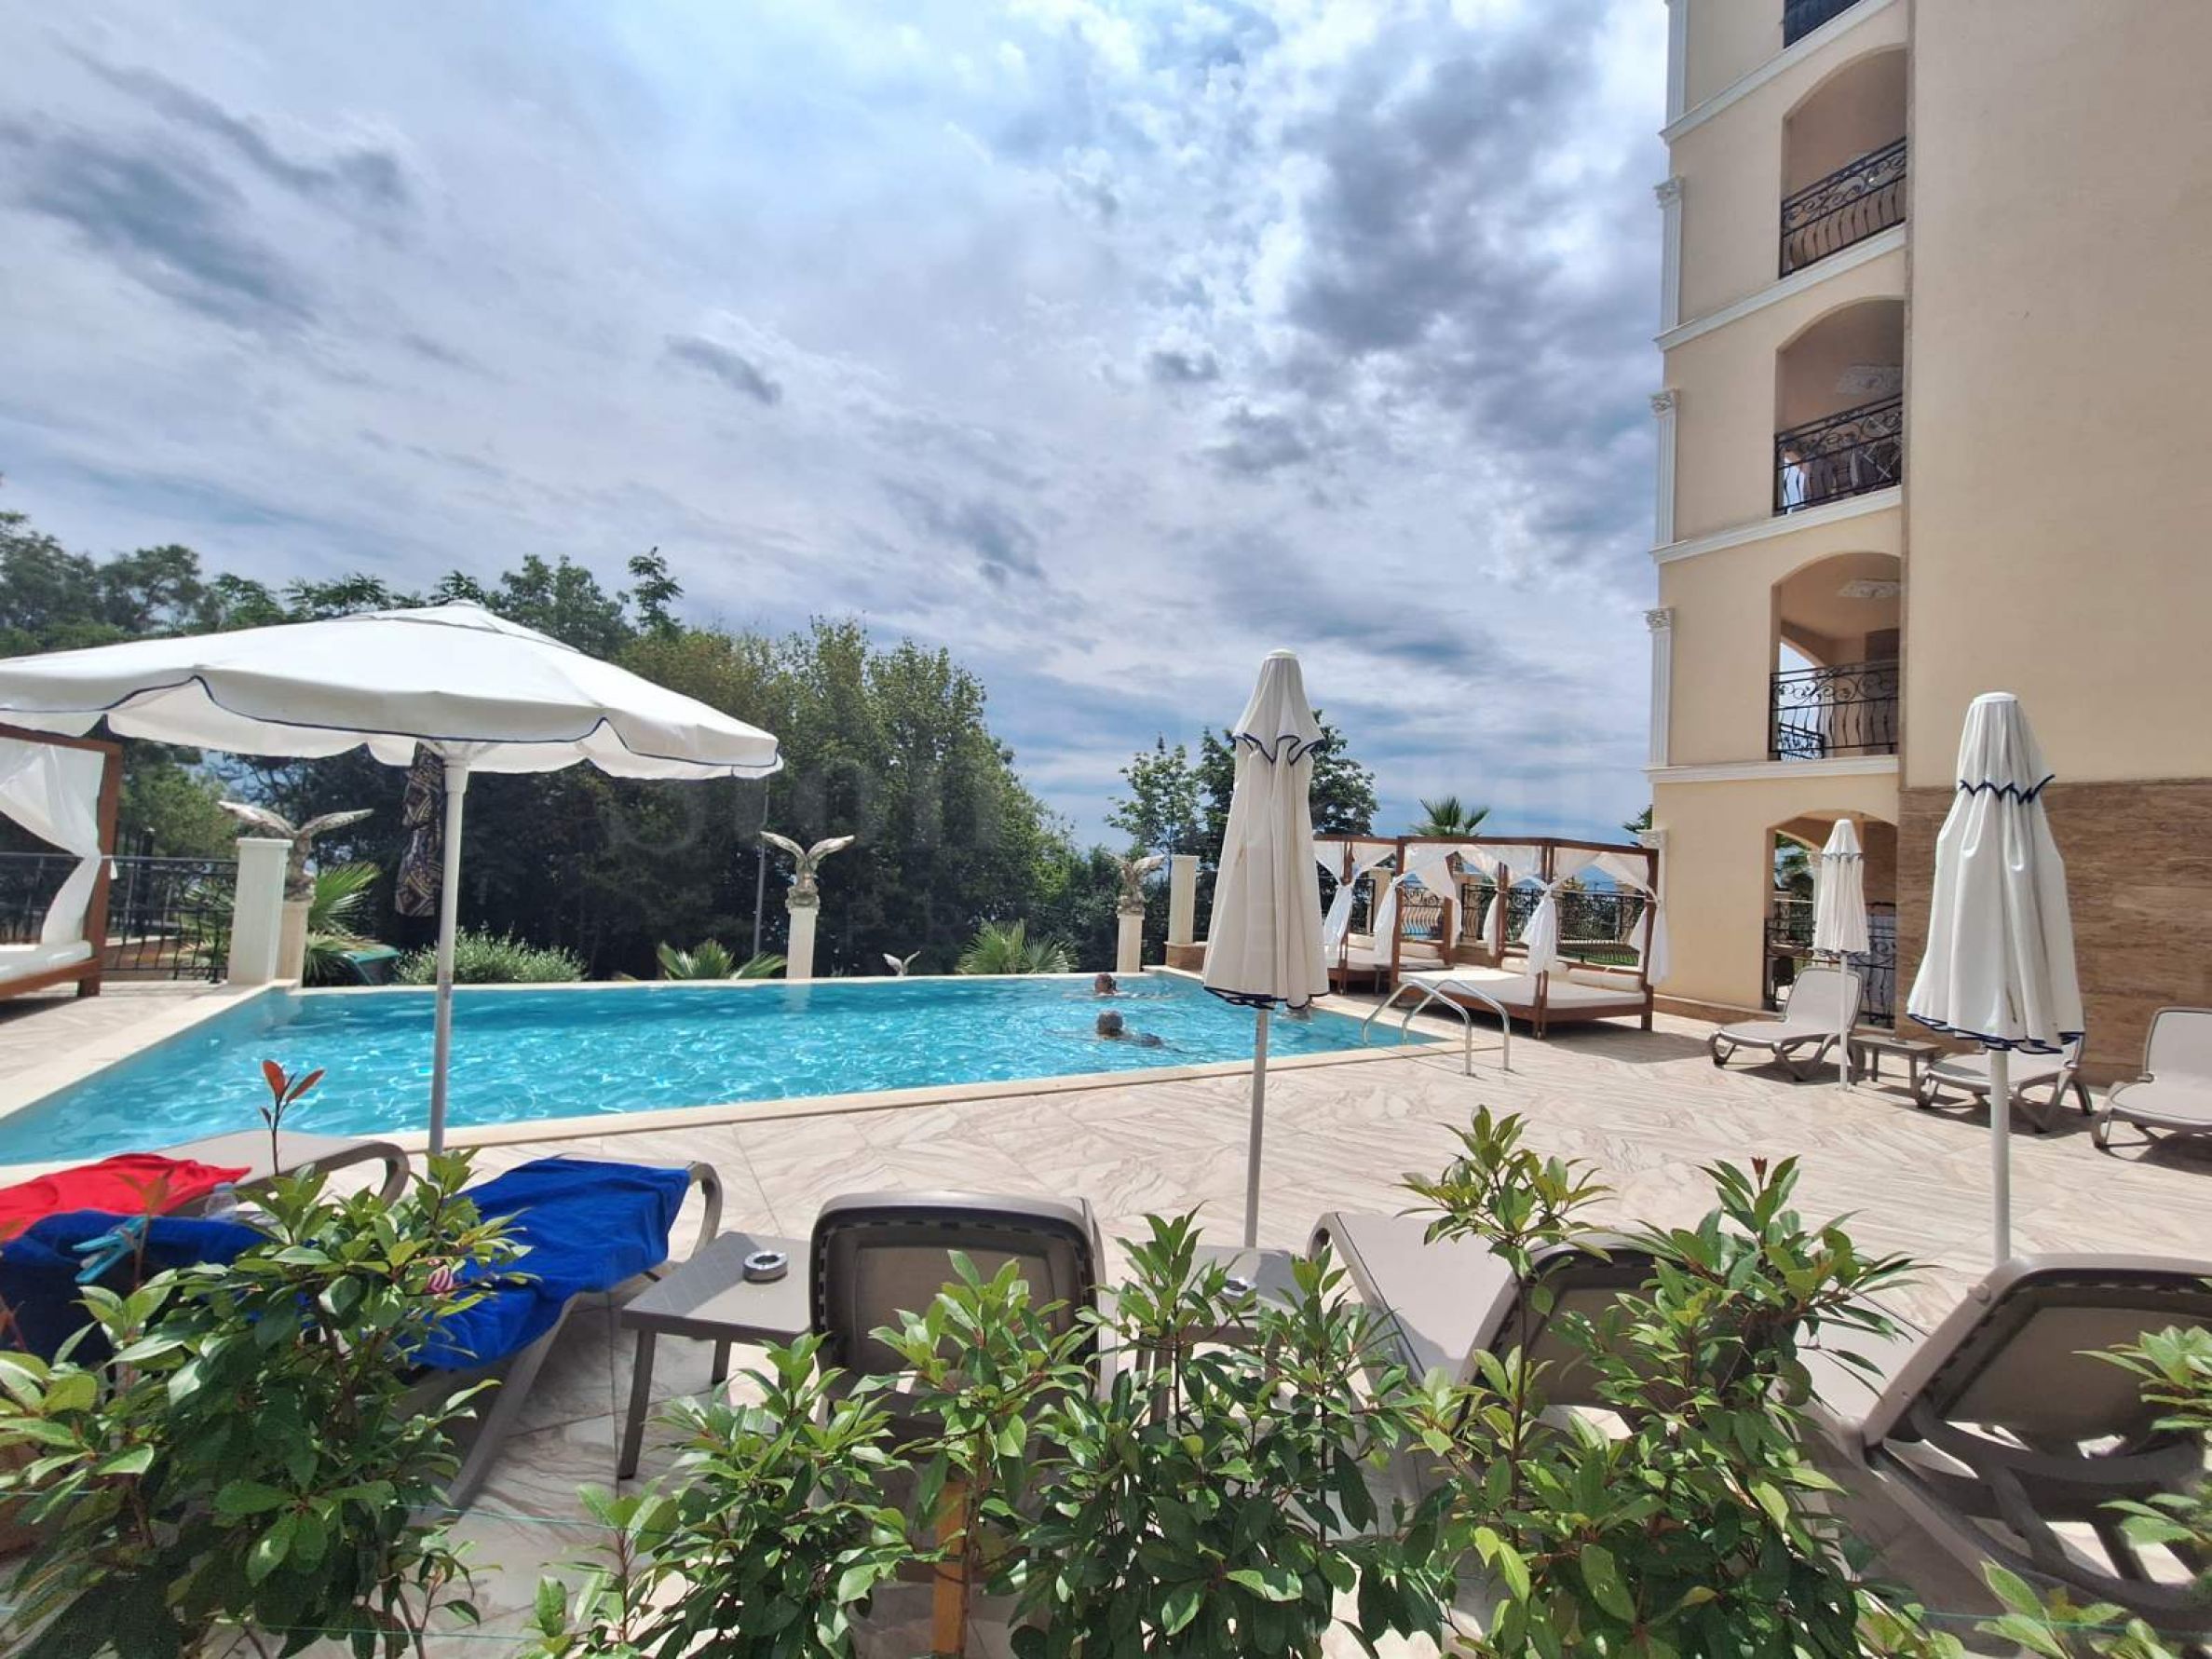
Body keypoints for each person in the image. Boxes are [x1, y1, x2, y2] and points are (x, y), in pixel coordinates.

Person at [1095, 1009, 1161, 1047]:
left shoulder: (1103, 1037)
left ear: (1103, 1024)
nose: (1097, 1023)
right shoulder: (1128, 1033)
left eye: (1099, 1022)